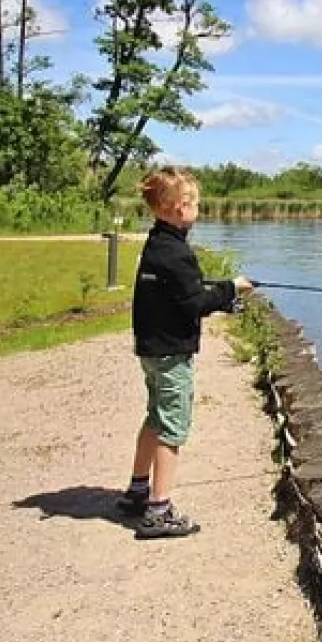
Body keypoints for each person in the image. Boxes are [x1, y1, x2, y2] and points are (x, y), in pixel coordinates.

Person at [116, 167, 254, 539]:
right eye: (194, 203)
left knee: (155, 417)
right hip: (171, 354)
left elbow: (180, 294)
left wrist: (220, 290)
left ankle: (138, 490)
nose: (199, 209)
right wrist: (232, 290)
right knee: (172, 428)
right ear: (176, 208)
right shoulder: (177, 253)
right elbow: (194, 304)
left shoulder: (157, 244)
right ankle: (158, 511)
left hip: (152, 350)